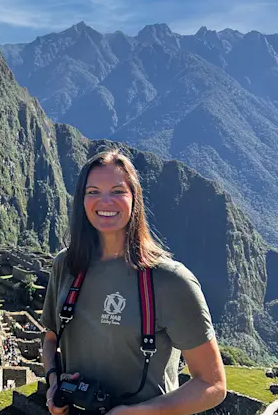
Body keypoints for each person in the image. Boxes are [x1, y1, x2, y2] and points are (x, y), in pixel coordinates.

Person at [40, 149, 226, 415]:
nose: (105, 201)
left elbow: (213, 385)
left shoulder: (170, 280)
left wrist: (138, 413)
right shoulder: (67, 266)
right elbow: (50, 337)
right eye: (93, 191)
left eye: (117, 191)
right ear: (81, 200)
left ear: (134, 199)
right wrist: (54, 383)